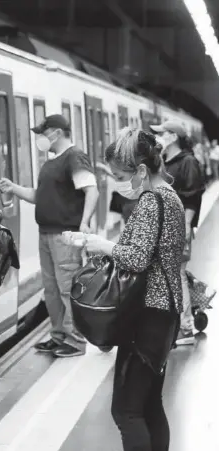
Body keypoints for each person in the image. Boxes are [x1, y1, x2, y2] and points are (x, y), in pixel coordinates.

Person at [65, 128, 184, 451]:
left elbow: (137, 257)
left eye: (120, 175)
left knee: (127, 411)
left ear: (142, 171)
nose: (117, 181)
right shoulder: (170, 197)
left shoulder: (151, 200)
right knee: (149, 405)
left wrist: (102, 245)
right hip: (165, 311)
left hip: (147, 314)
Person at [0, 114, 99, 358]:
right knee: (52, 290)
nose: (40, 137)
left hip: (65, 235)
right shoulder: (52, 162)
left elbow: (91, 190)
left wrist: (84, 222)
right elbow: (38, 195)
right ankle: (59, 335)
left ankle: (75, 341)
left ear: (58, 132)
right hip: (46, 233)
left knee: (67, 288)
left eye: (44, 132)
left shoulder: (75, 157)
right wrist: (13, 188)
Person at [150, 121, 205, 346]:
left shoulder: (188, 162)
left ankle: (185, 327)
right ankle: (173, 324)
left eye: (162, 133)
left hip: (177, 226)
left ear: (173, 137)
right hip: (162, 226)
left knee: (177, 275)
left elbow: (192, 199)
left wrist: (184, 229)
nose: (159, 137)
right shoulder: (165, 161)